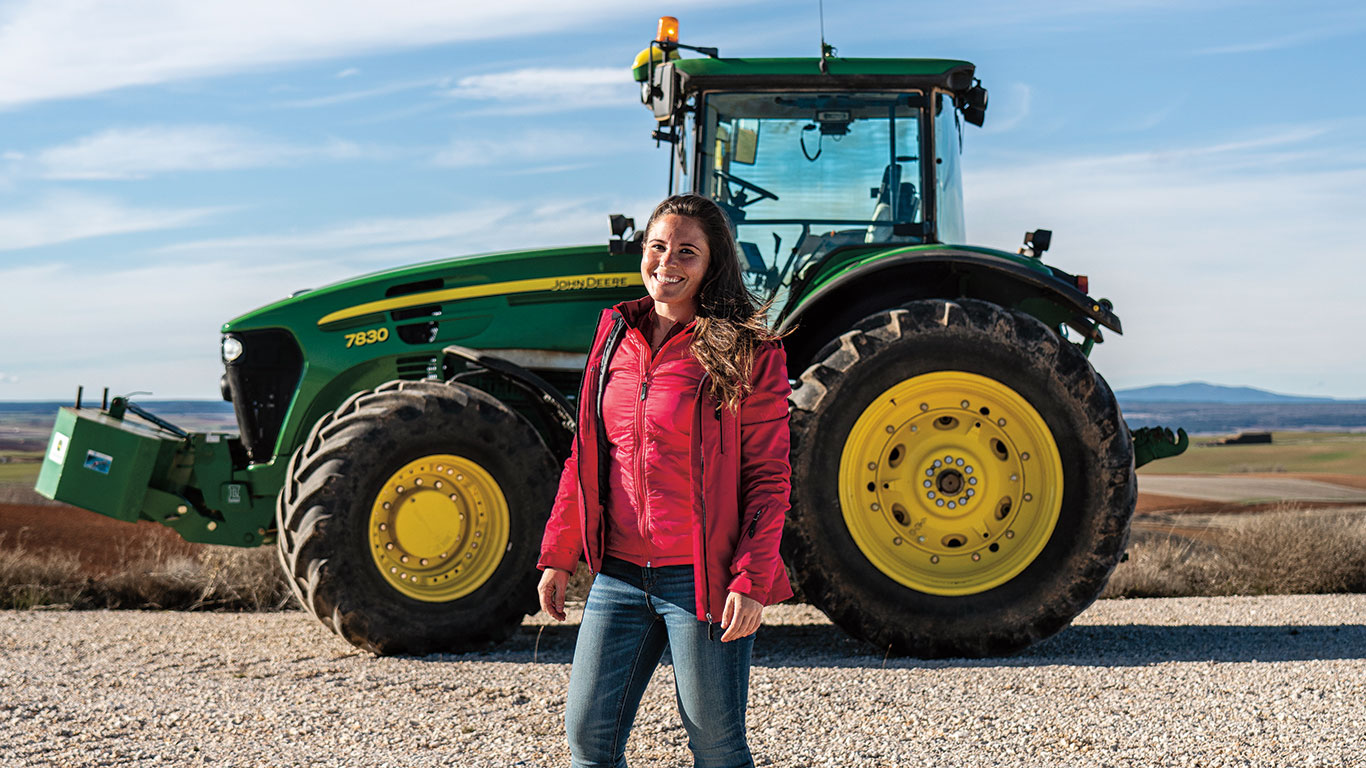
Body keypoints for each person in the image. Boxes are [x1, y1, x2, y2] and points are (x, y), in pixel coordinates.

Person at [536, 194, 793, 768]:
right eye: (657, 247)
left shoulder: (748, 352)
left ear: (711, 264)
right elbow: (587, 456)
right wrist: (560, 552)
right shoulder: (614, 339)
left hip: (701, 581)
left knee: (717, 747)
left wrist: (752, 579)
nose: (667, 262)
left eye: (686, 251)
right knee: (588, 743)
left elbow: (768, 478)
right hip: (621, 576)